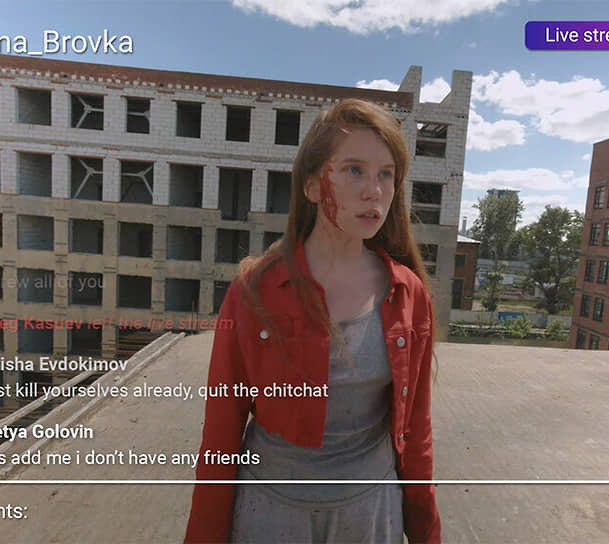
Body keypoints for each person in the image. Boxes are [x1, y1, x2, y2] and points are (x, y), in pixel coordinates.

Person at [185, 99, 440, 543]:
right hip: (271, 514)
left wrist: (425, 533)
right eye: (354, 170)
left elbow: (416, 432)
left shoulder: (408, 293)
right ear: (310, 186)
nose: (374, 191)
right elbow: (221, 432)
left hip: (370, 514)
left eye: (386, 174)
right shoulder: (254, 290)